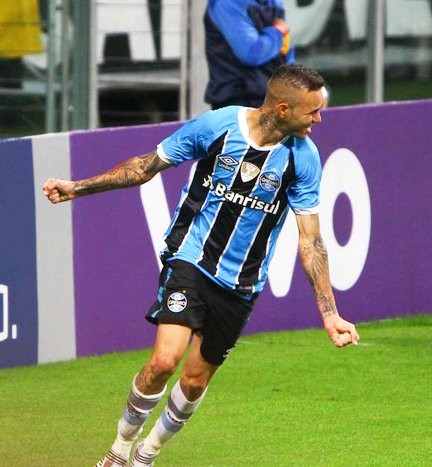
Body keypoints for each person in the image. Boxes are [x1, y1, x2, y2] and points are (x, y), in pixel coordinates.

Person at [43, 63, 359, 467]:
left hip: (242, 283)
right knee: (163, 361)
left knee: (193, 381)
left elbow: (311, 240)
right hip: (191, 258)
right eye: (312, 111)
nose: (318, 119)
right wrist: (78, 187)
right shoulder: (218, 126)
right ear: (282, 109)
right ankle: (120, 451)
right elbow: (145, 167)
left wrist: (329, 314)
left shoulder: (304, 158)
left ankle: (147, 454)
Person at [204, 0, 294, 109]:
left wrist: (298, 86)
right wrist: (278, 31)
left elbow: (286, 53)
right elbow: (252, 53)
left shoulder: (274, 3)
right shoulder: (227, 3)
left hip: (272, 95)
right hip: (237, 101)